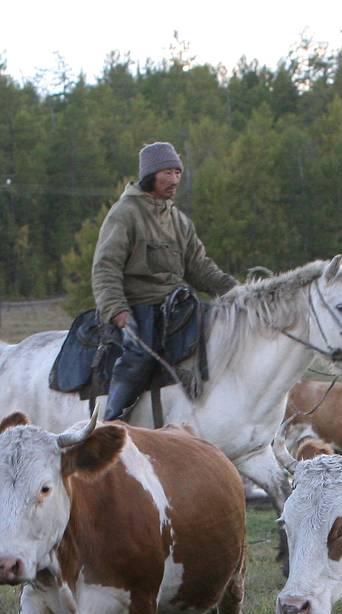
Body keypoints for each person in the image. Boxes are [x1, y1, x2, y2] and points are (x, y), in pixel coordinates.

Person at [91, 141, 238, 421]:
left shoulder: (179, 220)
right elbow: (105, 268)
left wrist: (237, 291)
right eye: (167, 173)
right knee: (139, 355)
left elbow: (200, 268)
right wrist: (117, 310)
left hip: (177, 303)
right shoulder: (125, 213)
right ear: (150, 175)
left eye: (178, 172)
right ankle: (111, 424)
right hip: (138, 305)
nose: (175, 180)